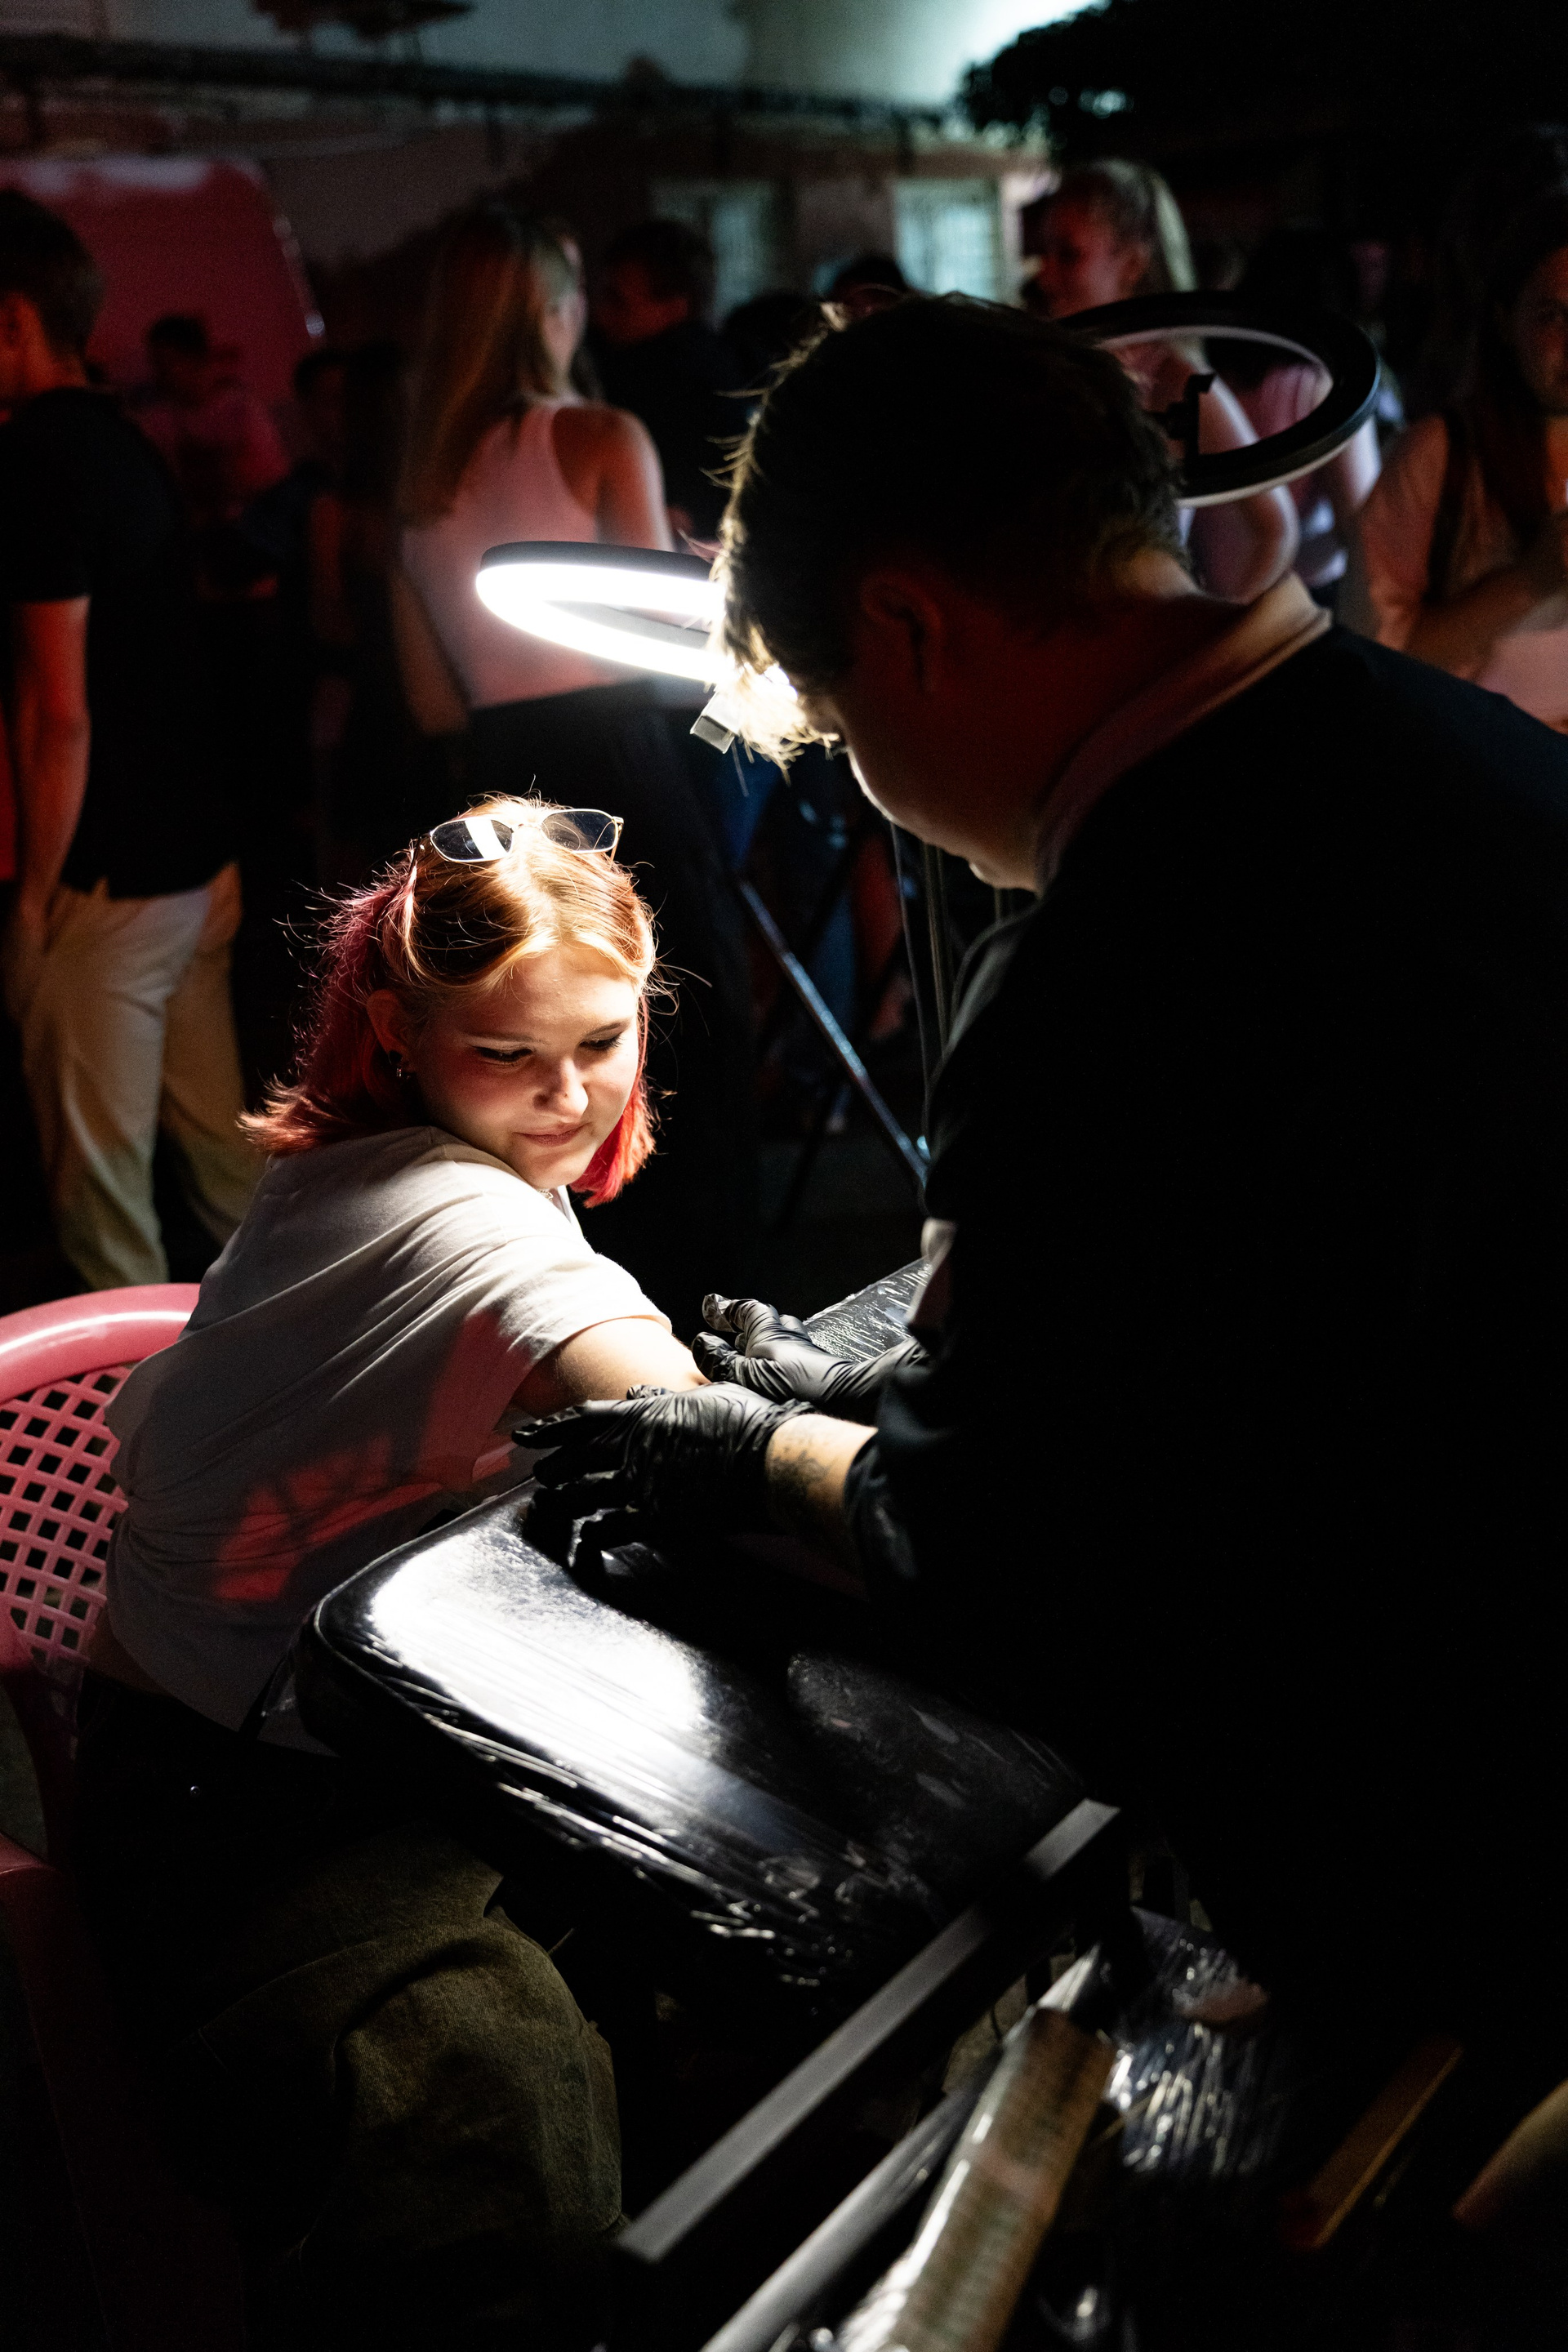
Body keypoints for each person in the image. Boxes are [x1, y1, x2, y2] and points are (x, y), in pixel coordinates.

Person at [524, 297, 1568, 2161]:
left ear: (910, 628)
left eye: (838, 722)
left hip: (1461, 1882)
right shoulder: (1485, 754)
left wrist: (744, 1450)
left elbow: (1005, 1566)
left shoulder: (1107, 974)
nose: (862, 777)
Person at [73, 796, 702, 2349]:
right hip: (225, 1817)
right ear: (398, 1033)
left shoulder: (413, 1162)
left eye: (604, 1041)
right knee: (494, 2140)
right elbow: (677, 1422)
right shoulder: (443, 1214)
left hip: (357, 1740)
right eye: (508, 1053)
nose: (569, 1096)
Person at [401, 205, 755, 1330]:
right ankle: (711, 1313)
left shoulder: (415, 491)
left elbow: (430, 701)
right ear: (552, 312)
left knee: (540, 1052)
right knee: (680, 1027)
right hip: (618, 760)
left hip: (496, 778)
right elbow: (663, 655)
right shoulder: (601, 435)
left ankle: (579, 1308)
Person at [0, 192, 259, 1290]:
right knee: (233, 1190)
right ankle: (295, 1384)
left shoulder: (32, 460)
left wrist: (32, 905)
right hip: (195, 867)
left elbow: (56, 711)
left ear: (13, 319)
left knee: (105, 1221)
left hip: (104, 887)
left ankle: (132, 1413)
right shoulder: (126, 441)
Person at [1344, 187, 1568, 728]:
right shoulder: (1441, 455)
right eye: (1553, 315)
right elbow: (1374, 654)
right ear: (1504, 321)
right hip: (1490, 760)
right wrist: (1528, 582)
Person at [1030, 159, 1299, 601]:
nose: (1044, 273)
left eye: (1069, 254)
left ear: (1133, 262)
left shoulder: (1176, 381)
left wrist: (1216, 627)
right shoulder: (1057, 371)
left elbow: (1276, 527)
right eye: (1044, 252)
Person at [1216, 225, 1381, 608]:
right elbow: (1361, 530)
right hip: (1296, 603)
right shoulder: (1321, 388)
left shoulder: (1216, 379)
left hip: (1214, 595)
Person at [591, 217, 749, 541]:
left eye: (618, 300)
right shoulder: (732, 364)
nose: (600, 314)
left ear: (675, 308)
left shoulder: (658, 376)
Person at [136, 310, 289, 537]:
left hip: (256, 526)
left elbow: (273, 477)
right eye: (156, 364)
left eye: (167, 363)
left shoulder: (241, 409)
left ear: (195, 359)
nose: (159, 373)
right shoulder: (158, 420)